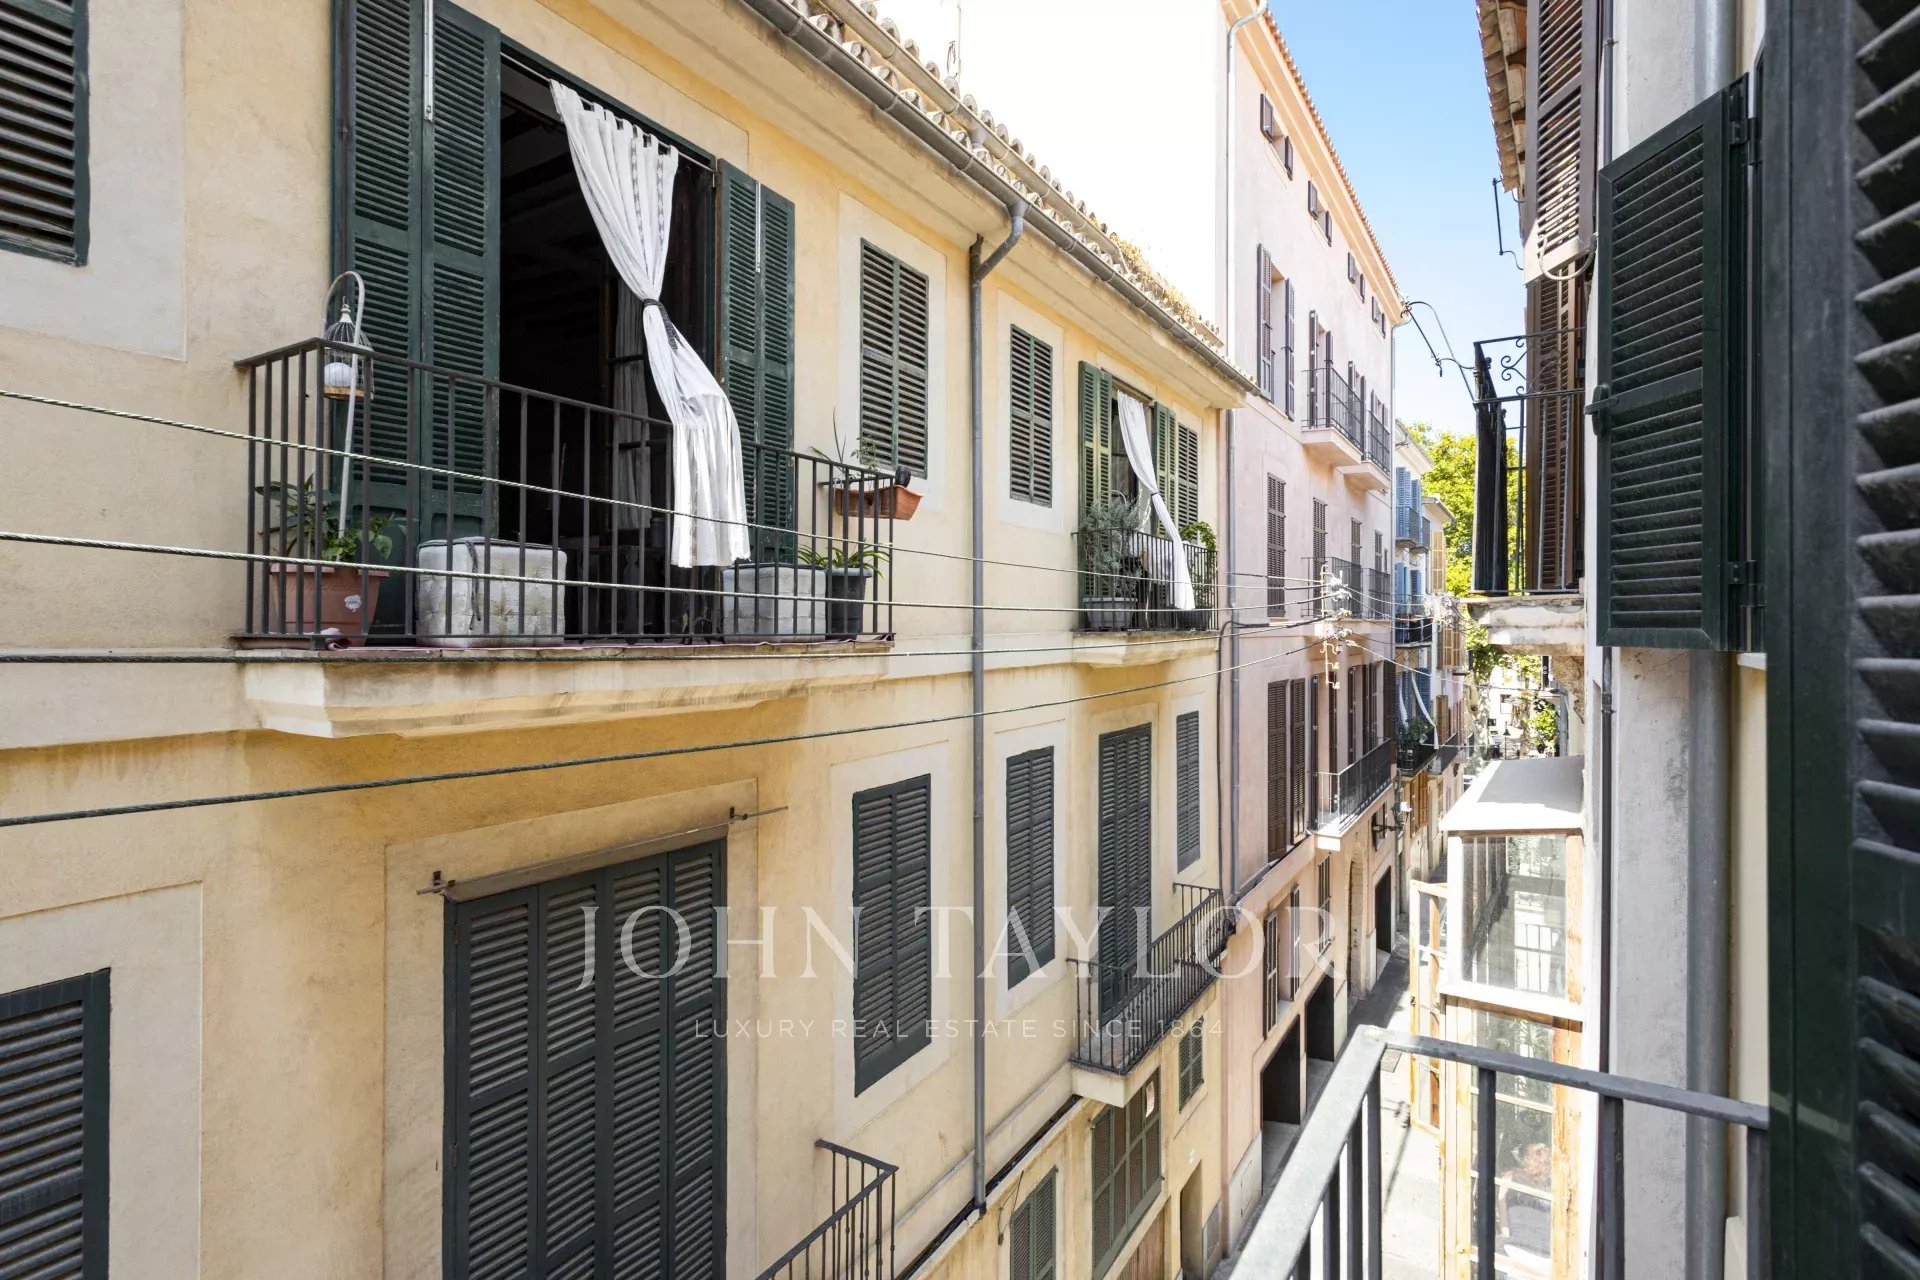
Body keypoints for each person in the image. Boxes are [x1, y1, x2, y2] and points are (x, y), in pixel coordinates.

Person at [1498, 1142, 1551, 1262]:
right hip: (1544, 1254)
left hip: (1517, 1249)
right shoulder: (1551, 1188)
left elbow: (1504, 1224)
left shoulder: (1510, 1177)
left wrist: (1506, 1238)